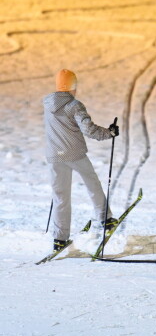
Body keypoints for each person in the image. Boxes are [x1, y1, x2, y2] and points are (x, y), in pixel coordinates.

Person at [43, 69, 119, 251]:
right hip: (75, 154)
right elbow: (89, 130)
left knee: (60, 197)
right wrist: (109, 133)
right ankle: (106, 220)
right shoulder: (75, 105)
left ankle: (59, 239)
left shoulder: (47, 103)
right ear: (72, 86)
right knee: (92, 184)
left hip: (54, 156)